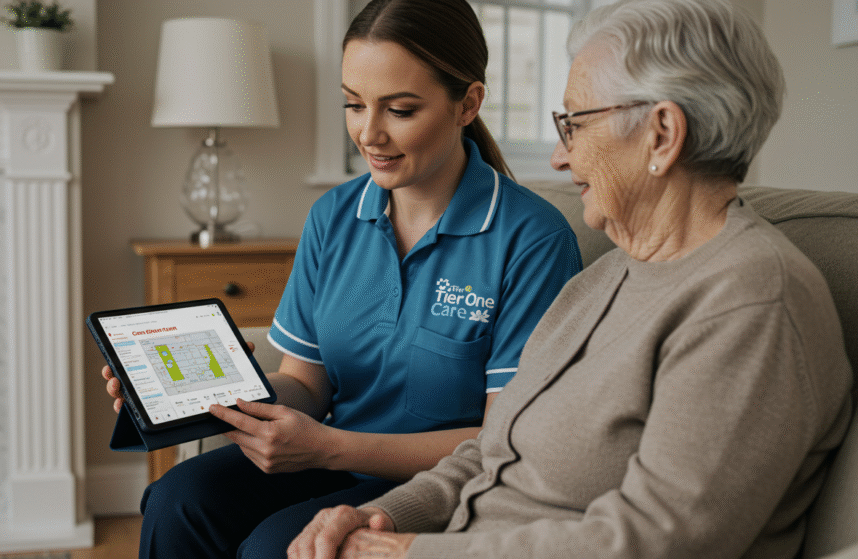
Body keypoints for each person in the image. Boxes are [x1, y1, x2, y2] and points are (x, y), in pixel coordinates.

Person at [287, 0, 855, 558]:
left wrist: (408, 553)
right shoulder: (604, 278)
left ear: (662, 134)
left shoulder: (750, 300)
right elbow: (495, 447)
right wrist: (384, 516)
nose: (559, 157)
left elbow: (661, 540)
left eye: (575, 124)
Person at [101, 0, 583, 557]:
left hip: (445, 485)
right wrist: (209, 393)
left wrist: (329, 447)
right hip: (333, 457)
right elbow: (306, 387)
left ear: (467, 104)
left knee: (274, 547)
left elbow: (508, 440)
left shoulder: (532, 239)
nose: (368, 133)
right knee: (177, 498)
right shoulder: (333, 216)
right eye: (354, 104)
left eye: (399, 110)